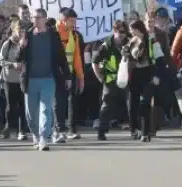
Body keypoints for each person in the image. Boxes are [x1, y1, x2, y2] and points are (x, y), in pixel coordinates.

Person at [17, 8, 69, 151]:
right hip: (30, 79)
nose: (36, 20)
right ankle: (35, 134)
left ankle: (43, 138)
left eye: (39, 17)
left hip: (48, 78)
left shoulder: (53, 35)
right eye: (34, 17)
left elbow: (61, 56)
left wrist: (67, 75)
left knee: (46, 109)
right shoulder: (27, 35)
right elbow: (18, 58)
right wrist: (21, 47)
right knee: (31, 113)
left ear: (45, 19)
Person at [125, 20, 162, 141]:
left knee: (145, 103)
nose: (131, 32)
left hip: (148, 74)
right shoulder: (131, 42)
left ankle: (145, 132)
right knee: (132, 105)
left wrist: (157, 75)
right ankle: (134, 129)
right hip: (134, 75)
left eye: (132, 30)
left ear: (139, 29)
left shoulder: (152, 41)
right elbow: (126, 58)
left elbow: (160, 59)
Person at [92, 20, 129, 141]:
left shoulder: (128, 43)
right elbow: (94, 62)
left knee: (130, 104)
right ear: (115, 31)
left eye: (125, 32)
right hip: (111, 80)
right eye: (121, 32)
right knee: (106, 106)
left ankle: (134, 129)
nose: (123, 34)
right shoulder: (106, 45)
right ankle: (101, 131)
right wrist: (100, 77)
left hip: (126, 79)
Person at [54, 8, 85, 142]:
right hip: (57, 74)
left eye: (74, 21)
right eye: (72, 21)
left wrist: (81, 77)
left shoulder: (74, 35)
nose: (74, 23)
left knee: (72, 101)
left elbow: (77, 57)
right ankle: (59, 130)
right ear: (64, 20)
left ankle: (71, 129)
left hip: (71, 73)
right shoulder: (54, 33)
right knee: (58, 102)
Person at [0, 20, 28, 140]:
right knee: (10, 105)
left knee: (22, 105)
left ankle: (21, 131)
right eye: (18, 30)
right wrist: (12, 64)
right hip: (9, 79)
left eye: (23, 31)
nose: (21, 33)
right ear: (14, 30)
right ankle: (8, 126)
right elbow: (1, 61)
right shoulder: (7, 44)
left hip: (22, 79)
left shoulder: (26, 43)